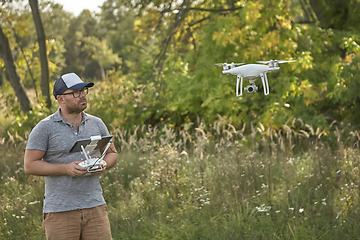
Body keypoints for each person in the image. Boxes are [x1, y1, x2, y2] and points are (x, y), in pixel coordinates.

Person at [24, 72, 118, 240]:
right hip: (61, 210)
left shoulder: (96, 123)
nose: (82, 96)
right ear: (61, 99)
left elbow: (112, 154)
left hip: (95, 206)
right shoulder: (45, 128)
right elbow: (30, 165)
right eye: (76, 93)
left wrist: (103, 163)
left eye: (83, 91)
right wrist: (65, 169)